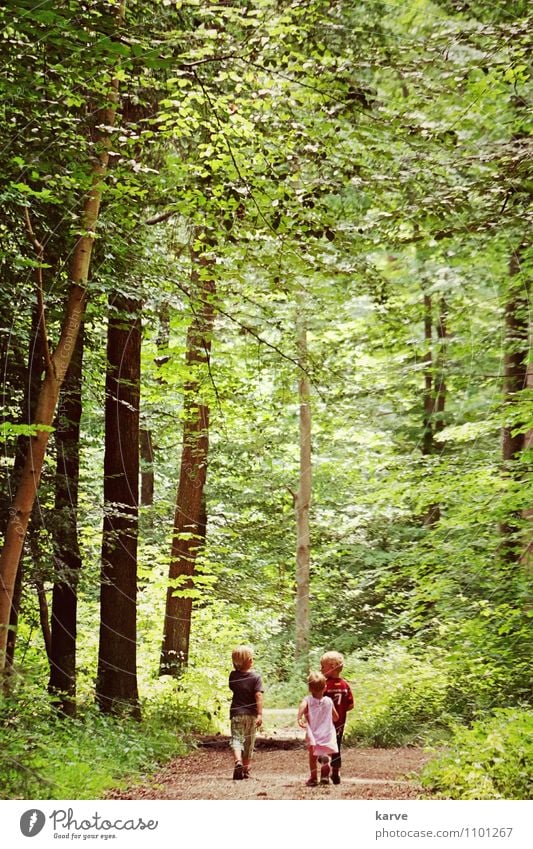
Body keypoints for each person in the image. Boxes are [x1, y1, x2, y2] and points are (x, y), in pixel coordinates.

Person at [297, 671, 339, 786]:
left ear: (310, 688)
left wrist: (300, 716)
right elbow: (336, 717)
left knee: (312, 757)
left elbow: (302, 705)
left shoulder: (308, 700)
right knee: (327, 754)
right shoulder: (329, 701)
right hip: (327, 733)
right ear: (325, 687)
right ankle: (325, 771)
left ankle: (313, 778)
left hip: (314, 734)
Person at [229, 645, 263, 780]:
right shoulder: (256, 678)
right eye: (251, 658)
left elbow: (233, 688)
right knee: (249, 742)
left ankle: (237, 761)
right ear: (249, 661)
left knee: (236, 739)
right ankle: (246, 768)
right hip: (251, 715)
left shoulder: (233, 676)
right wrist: (260, 714)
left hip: (236, 713)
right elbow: (258, 696)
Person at [320, 650, 354, 785]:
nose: (321, 669)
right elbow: (350, 705)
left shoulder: (324, 685)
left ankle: (324, 772)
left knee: (324, 746)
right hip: (339, 723)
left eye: (323, 666)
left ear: (332, 667)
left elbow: (318, 702)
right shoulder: (345, 685)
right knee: (336, 746)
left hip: (325, 723)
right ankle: (336, 772)